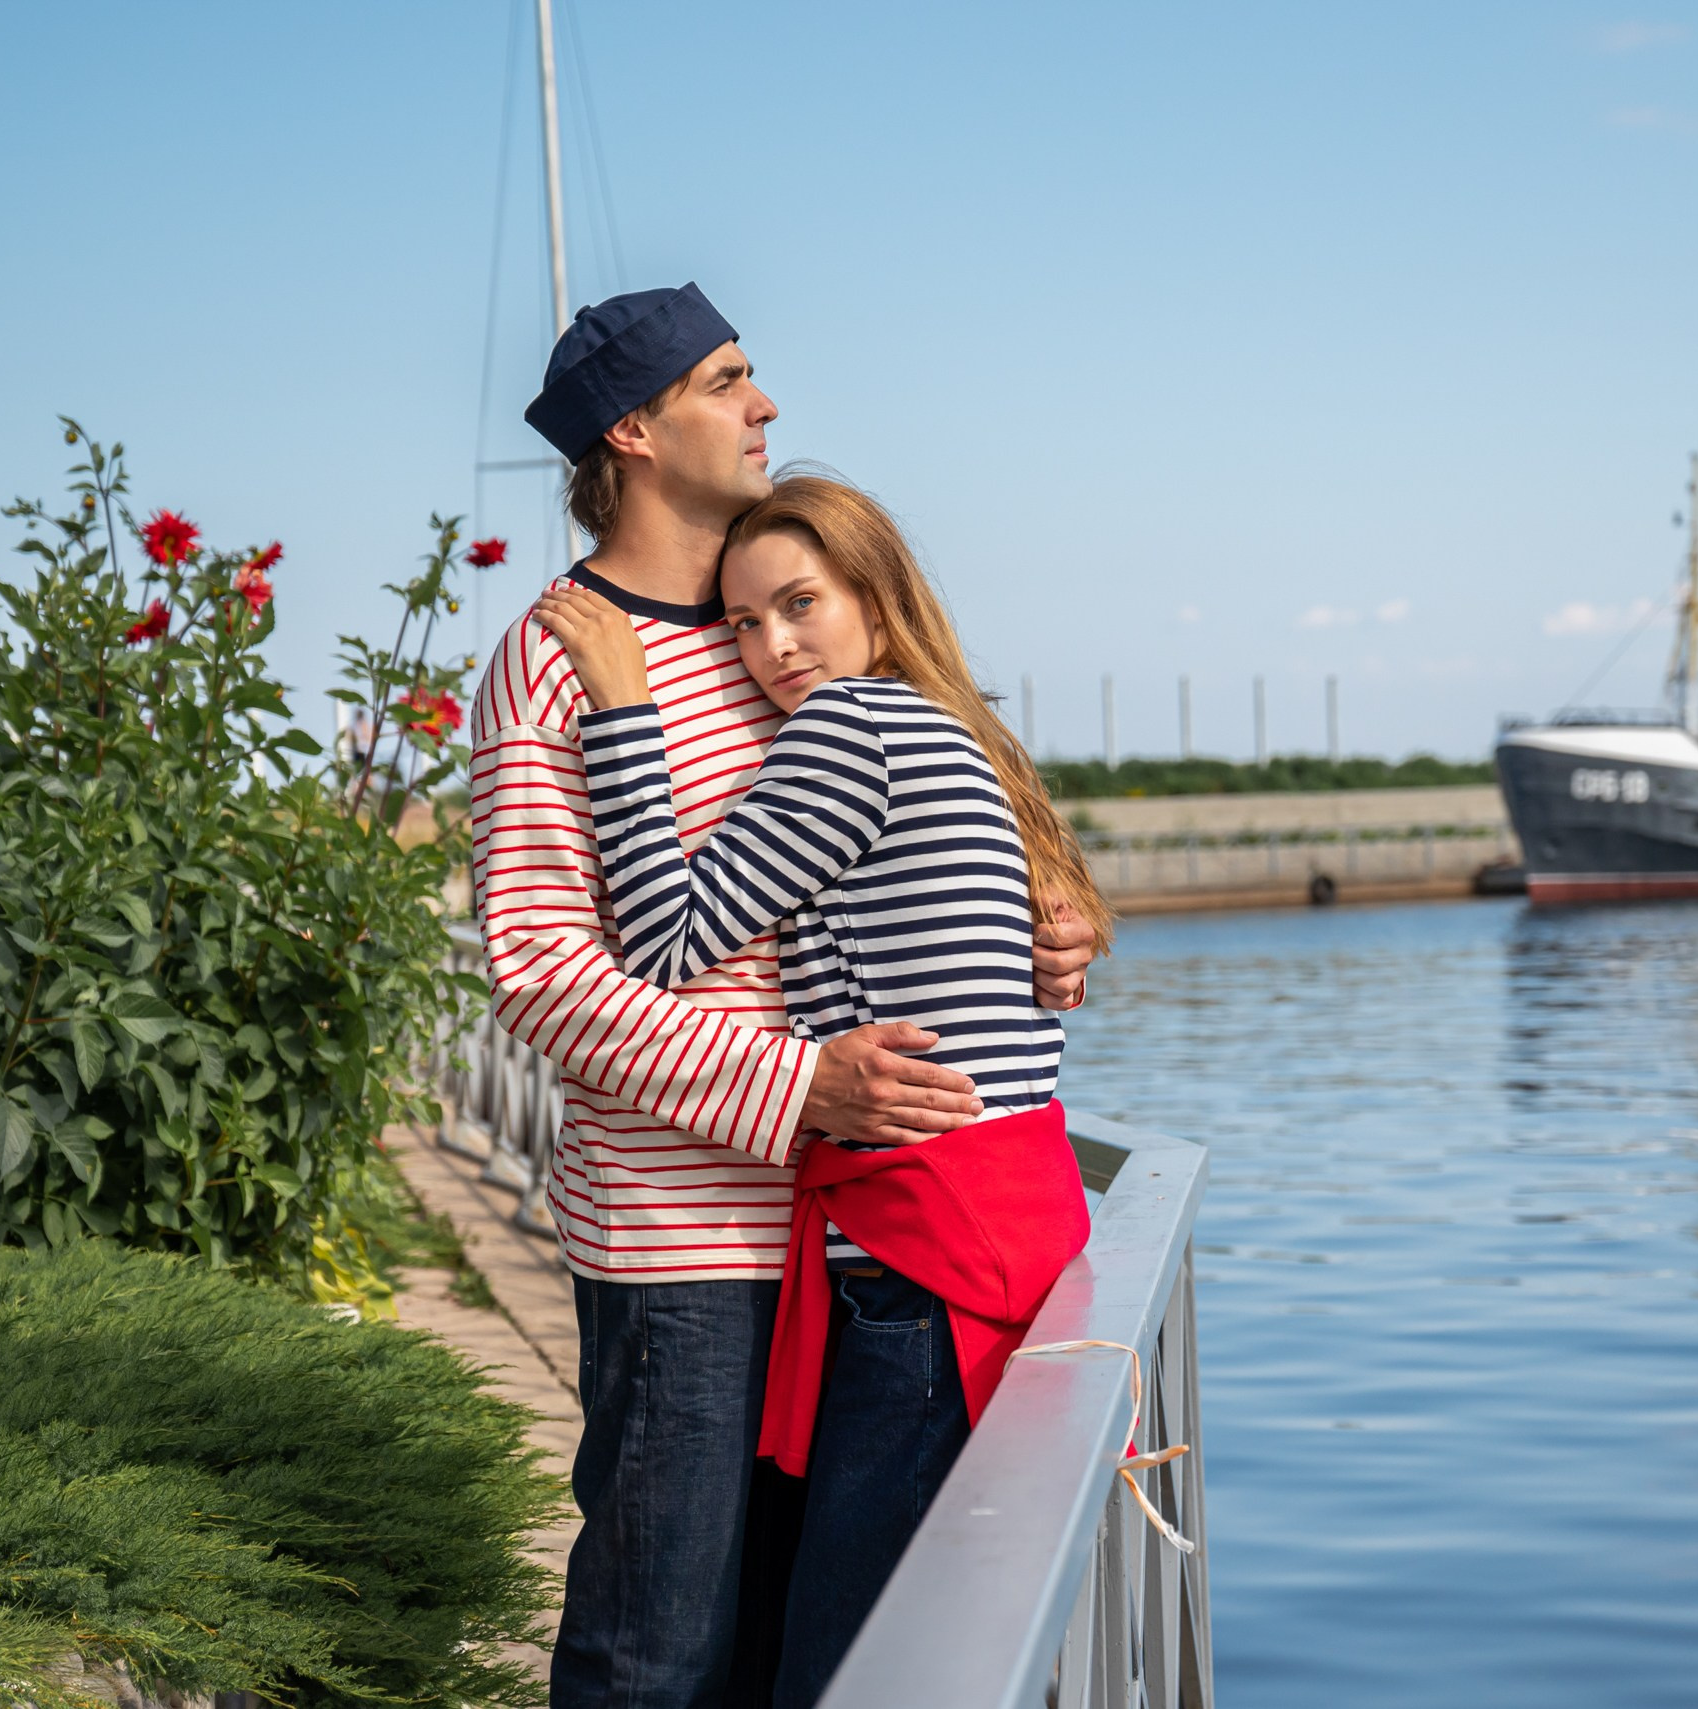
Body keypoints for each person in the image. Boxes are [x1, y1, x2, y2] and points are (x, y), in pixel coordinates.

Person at [466, 283, 1097, 1709]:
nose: (764, 406)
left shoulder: (784, 630)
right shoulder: (558, 656)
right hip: (688, 1241)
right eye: (728, 380)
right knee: (658, 1652)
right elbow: (538, 970)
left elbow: (918, 820)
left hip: (861, 1241)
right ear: (634, 428)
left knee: (790, 1657)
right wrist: (800, 1086)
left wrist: (1041, 913)